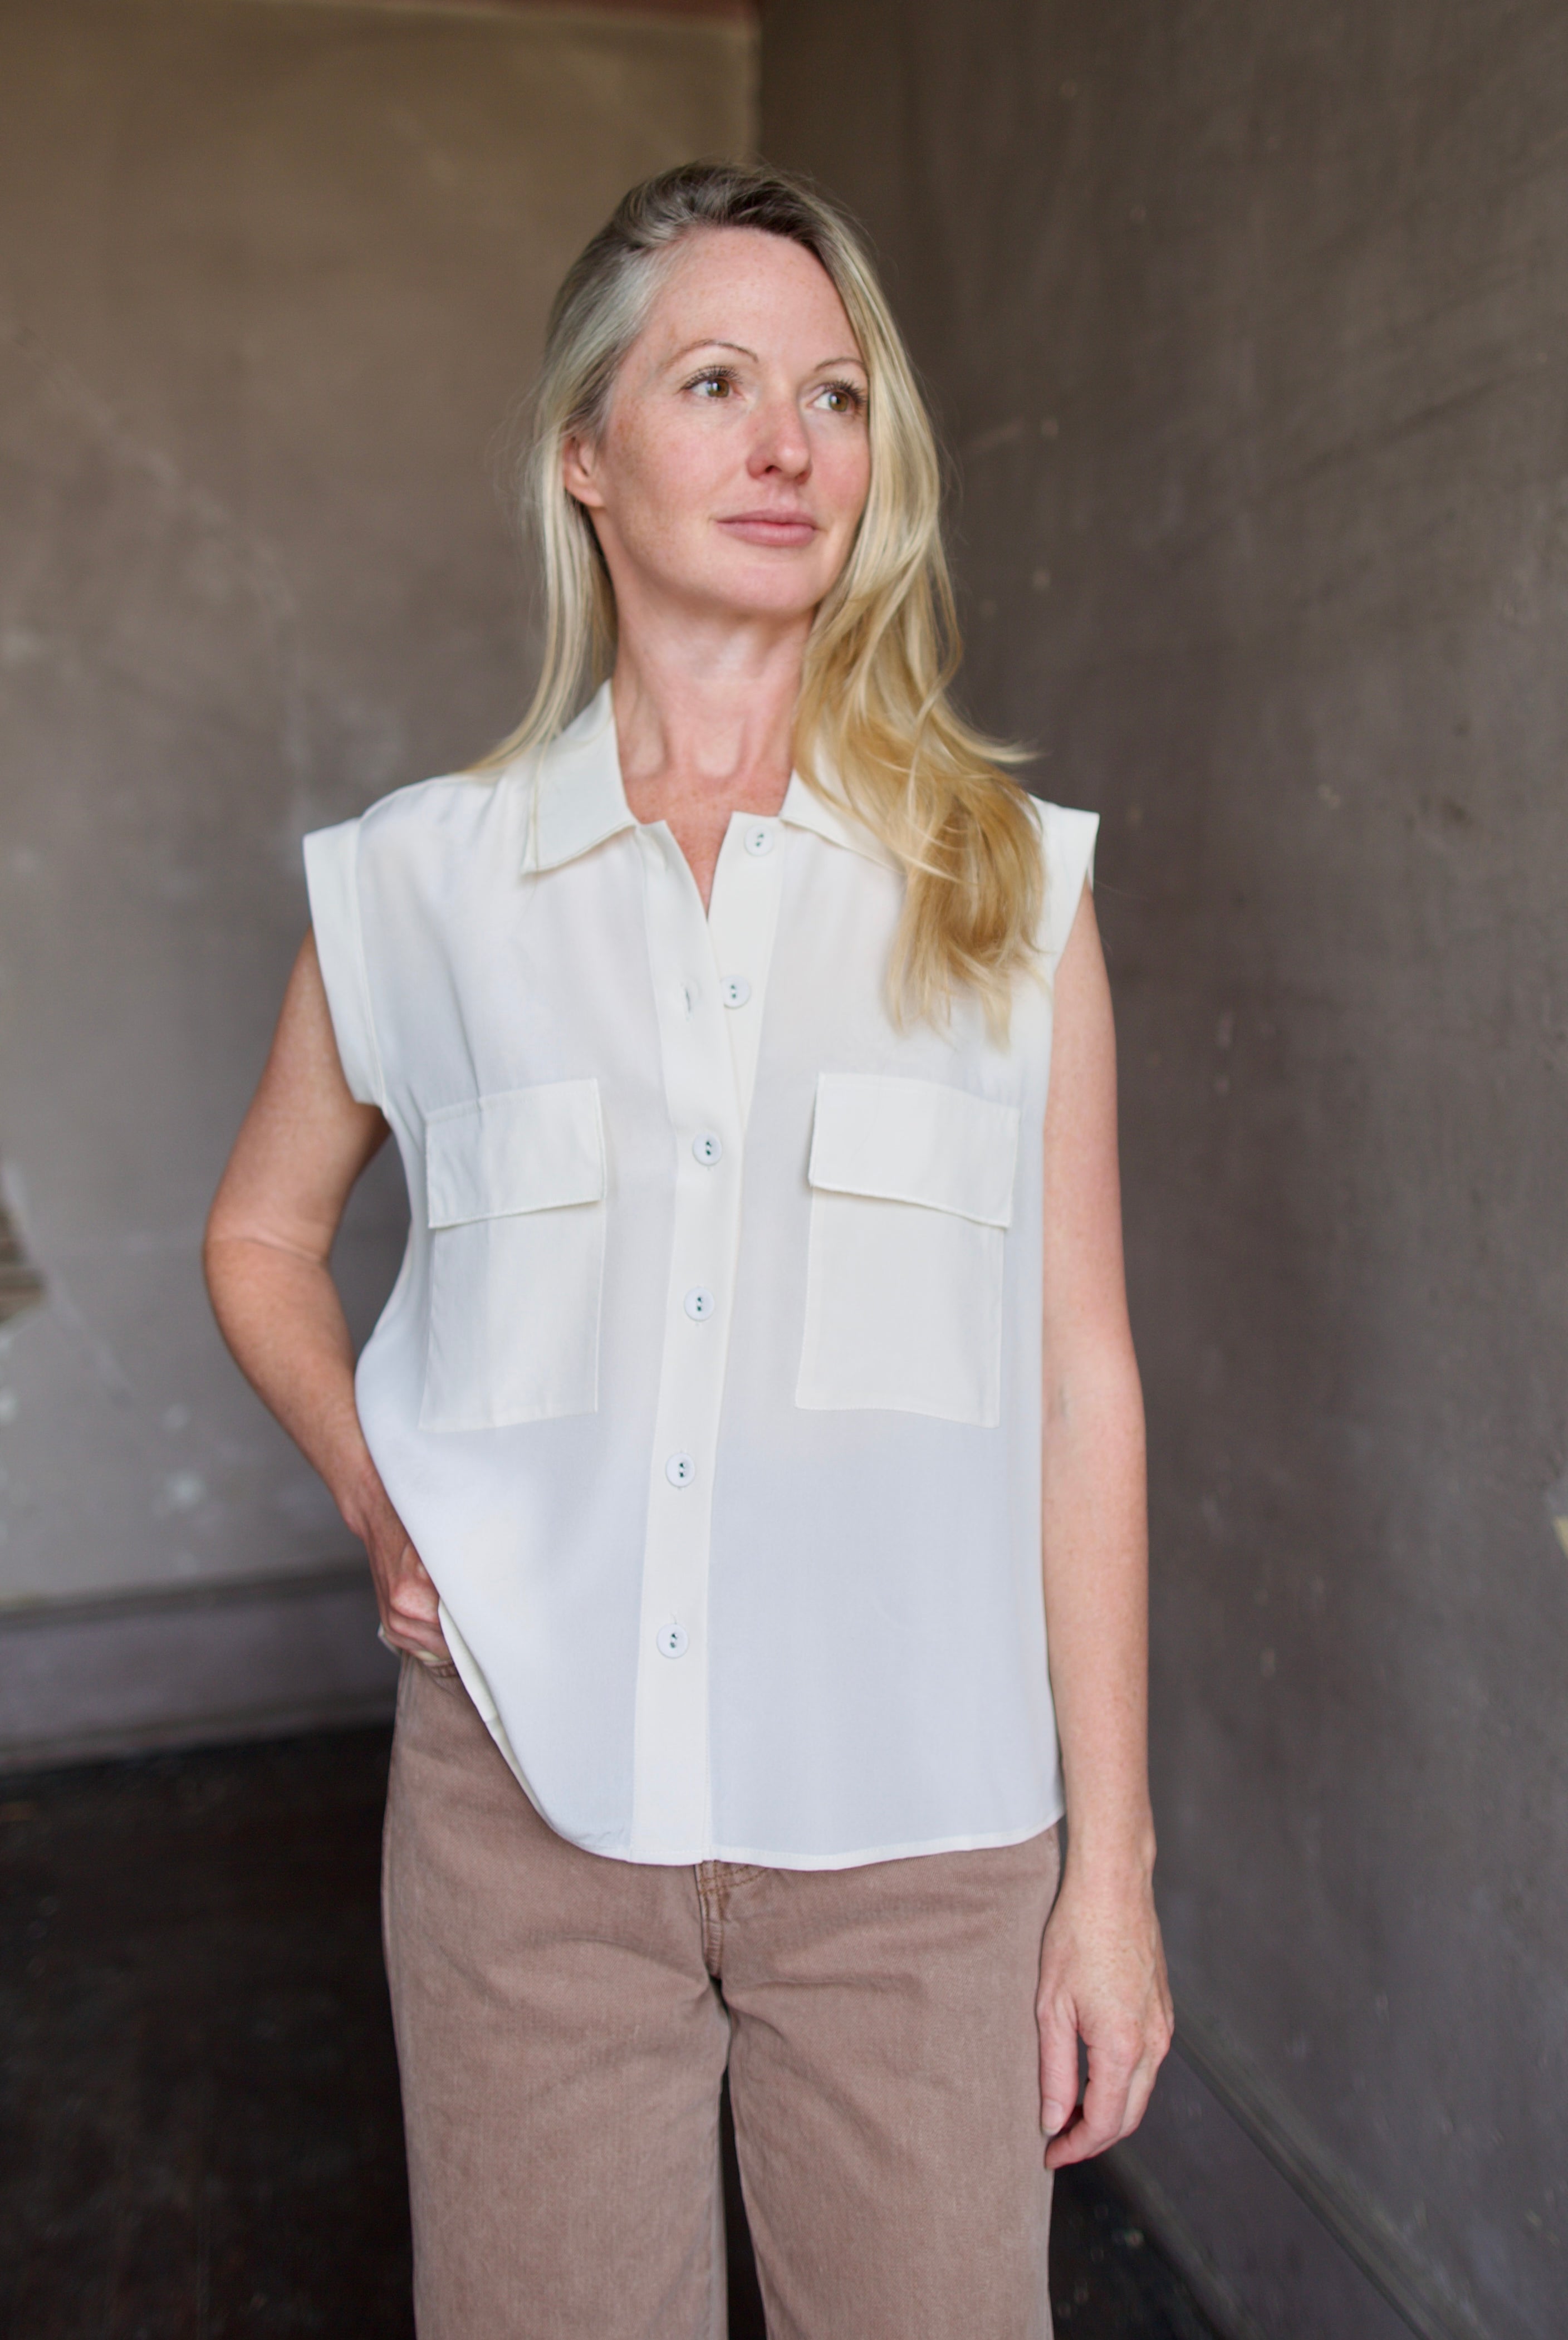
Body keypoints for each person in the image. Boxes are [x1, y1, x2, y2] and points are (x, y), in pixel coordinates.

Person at [205, 161, 1172, 2340]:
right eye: (714, 381)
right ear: (584, 455)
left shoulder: (1007, 891)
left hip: (917, 1845)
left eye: (833, 398)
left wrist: (1104, 1873)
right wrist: (376, 1493)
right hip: (521, 1820)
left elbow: (1078, 1379)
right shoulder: (418, 888)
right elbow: (263, 1230)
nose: (785, 445)